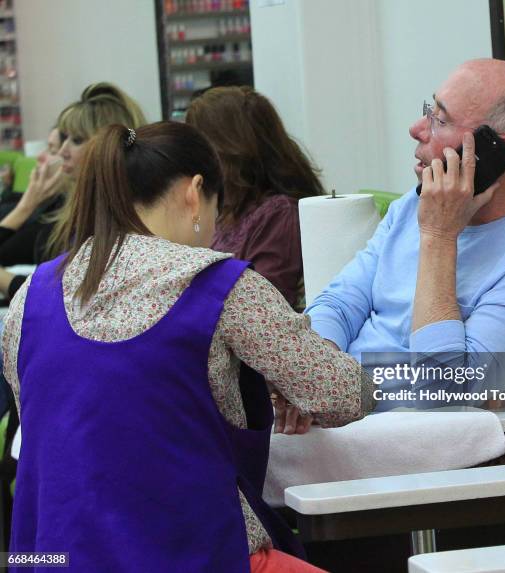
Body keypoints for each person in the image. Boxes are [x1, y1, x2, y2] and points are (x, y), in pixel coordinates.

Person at [2, 121, 372, 572]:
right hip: (185, 554)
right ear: (195, 192)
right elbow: (346, 394)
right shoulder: (218, 284)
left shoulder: (29, 297)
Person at [305, 58, 505, 410]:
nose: (416, 128)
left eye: (440, 119)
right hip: (334, 413)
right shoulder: (414, 204)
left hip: (404, 449)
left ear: (493, 152)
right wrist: (308, 378)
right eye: (429, 110)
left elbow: (442, 396)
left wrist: (439, 236)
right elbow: (339, 303)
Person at [0, 82, 146, 301]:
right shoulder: (72, 209)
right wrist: (26, 206)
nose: (62, 151)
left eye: (76, 140)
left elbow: (62, 298)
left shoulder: (117, 219)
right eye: (63, 139)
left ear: (107, 146)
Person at [186, 86, 325, 310]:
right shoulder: (227, 211)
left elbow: (264, 309)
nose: (195, 161)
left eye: (202, 149)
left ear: (230, 150)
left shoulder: (279, 214)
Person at [0, 127, 67, 269]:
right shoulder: (44, 202)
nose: (40, 156)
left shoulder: (54, 222)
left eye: (52, 150)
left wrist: (26, 205)